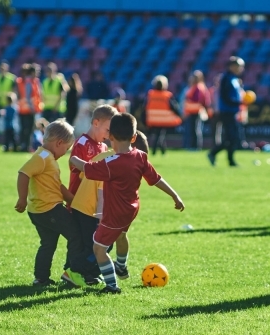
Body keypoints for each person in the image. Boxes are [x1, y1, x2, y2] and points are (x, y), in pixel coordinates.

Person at [69, 113, 185, 294]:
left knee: (99, 248)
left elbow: (86, 168)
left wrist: (74, 159)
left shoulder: (110, 163)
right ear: (134, 137)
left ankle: (111, 286)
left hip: (114, 214)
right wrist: (175, 196)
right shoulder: (140, 156)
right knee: (121, 235)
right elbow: (156, 180)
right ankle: (121, 266)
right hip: (132, 210)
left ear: (111, 137)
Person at [69, 131, 151, 286]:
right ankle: (75, 269)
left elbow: (83, 176)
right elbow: (101, 193)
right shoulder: (112, 164)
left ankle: (90, 274)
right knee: (99, 247)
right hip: (90, 209)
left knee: (90, 243)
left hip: (82, 205)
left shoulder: (107, 157)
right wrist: (101, 217)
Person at [15, 120, 88, 286]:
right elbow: (23, 173)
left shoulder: (48, 158)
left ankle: (41, 278)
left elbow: (56, 185)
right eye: (66, 149)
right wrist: (22, 198)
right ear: (58, 143)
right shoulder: (43, 157)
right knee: (75, 234)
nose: (65, 153)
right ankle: (72, 272)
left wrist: (72, 201)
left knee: (48, 243)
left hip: (41, 210)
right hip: (49, 209)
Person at [68, 104, 117, 197]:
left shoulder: (104, 147)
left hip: (94, 200)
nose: (109, 135)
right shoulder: (82, 143)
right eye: (108, 130)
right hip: (78, 199)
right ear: (96, 123)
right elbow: (74, 167)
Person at [208, 57, 245, 167]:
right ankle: (216, 154)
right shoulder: (226, 78)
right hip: (227, 112)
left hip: (232, 112)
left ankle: (228, 159)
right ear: (232, 66)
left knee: (232, 137)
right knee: (232, 137)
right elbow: (225, 96)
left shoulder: (234, 78)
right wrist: (238, 102)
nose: (241, 68)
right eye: (239, 66)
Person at [144, 75, 182, 156]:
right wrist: (179, 115)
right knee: (160, 134)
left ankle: (162, 151)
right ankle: (155, 150)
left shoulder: (150, 94)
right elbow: (174, 107)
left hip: (153, 119)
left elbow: (144, 106)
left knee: (159, 134)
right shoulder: (167, 95)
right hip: (164, 120)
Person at [16, 64, 42, 153]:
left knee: (25, 129)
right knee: (28, 129)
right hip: (28, 109)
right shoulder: (30, 82)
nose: (38, 73)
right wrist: (32, 107)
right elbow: (28, 96)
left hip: (24, 108)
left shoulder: (33, 81)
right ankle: (26, 146)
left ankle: (25, 145)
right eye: (36, 71)